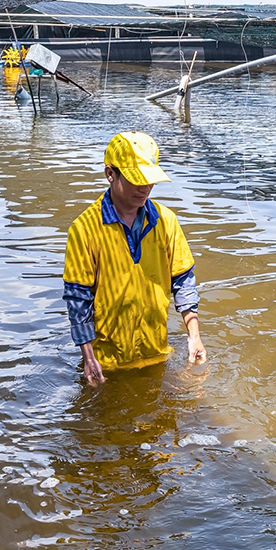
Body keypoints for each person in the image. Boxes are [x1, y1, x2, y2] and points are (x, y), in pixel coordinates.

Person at [63, 131, 205, 386]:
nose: (145, 188)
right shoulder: (84, 229)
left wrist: (194, 335)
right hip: (107, 362)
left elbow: (183, 281)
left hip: (156, 353)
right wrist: (88, 356)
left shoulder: (166, 222)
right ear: (110, 174)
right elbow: (78, 297)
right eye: (136, 179)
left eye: (149, 180)